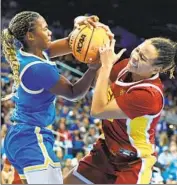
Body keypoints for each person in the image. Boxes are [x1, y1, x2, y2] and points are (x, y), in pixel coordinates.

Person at [1, 11, 103, 184]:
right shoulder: (38, 68)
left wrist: (81, 23)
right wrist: (93, 69)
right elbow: (73, 93)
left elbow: (74, 43)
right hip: (32, 137)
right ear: (30, 36)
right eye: (45, 28)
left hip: (20, 136)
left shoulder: (32, 53)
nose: (50, 32)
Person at [64, 37, 177, 184]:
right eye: (137, 50)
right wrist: (94, 61)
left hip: (133, 162)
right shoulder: (125, 67)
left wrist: (106, 66)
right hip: (106, 150)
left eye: (142, 57)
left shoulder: (149, 95)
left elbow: (98, 110)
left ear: (156, 69)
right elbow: (100, 86)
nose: (135, 56)